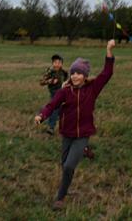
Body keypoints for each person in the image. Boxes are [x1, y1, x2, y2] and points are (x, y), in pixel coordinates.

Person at [35, 40, 116, 210]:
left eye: (79, 73)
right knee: (65, 165)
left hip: (83, 134)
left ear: (85, 75)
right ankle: (82, 152)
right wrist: (42, 115)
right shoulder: (65, 91)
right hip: (67, 133)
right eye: (73, 73)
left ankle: (60, 198)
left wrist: (108, 50)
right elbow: (52, 105)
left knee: (69, 166)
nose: (75, 76)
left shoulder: (92, 89)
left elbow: (107, 73)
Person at [39, 54, 69, 135]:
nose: (57, 64)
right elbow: (41, 82)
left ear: (62, 64)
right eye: (55, 62)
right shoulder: (50, 71)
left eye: (59, 62)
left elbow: (67, 81)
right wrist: (51, 81)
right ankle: (51, 128)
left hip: (62, 93)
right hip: (54, 93)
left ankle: (42, 113)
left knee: (59, 110)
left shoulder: (64, 72)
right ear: (52, 63)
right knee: (55, 109)